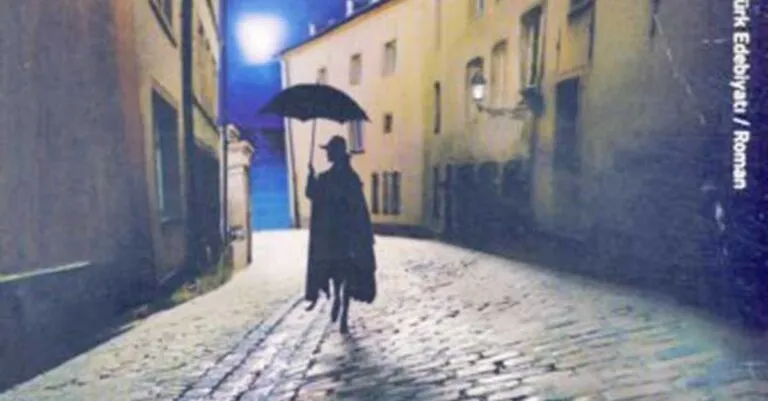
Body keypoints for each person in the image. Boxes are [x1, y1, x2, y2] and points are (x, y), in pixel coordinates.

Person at [304, 135, 376, 334]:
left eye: (329, 150)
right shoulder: (339, 178)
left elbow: (314, 195)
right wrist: (311, 176)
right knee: (340, 272)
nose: (326, 154)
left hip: (339, 235)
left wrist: (312, 180)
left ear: (335, 153)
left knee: (343, 273)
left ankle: (342, 306)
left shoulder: (337, 179)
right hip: (341, 235)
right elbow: (313, 195)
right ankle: (339, 302)